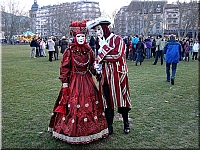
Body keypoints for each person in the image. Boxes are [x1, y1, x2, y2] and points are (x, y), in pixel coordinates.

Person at [48, 20, 109, 144]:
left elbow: (92, 66)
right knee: (72, 105)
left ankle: (93, 131)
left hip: (87, 80)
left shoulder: (89, 51)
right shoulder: (69, 51)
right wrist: (65, 84)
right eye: (79, 36)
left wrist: (97, 70)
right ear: (75, 37)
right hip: (74, 81)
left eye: (83, 36)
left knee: (91, 105)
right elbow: (64, 68)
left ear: (85, 38)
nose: (81, 39)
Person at [87, 17, 132, 135]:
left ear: (105, 28)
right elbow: (99, 58)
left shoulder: (117, 39)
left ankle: (126, 123)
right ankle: (109, 125)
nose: (97, 32)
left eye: (98, 29)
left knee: (122, 99)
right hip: (105, 76)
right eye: (95, 30)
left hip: (118, 75)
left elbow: (117, 54)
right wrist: (97, 66)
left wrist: (101, 57)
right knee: (107, 101)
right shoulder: (99, 42)